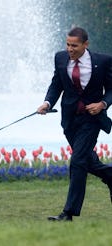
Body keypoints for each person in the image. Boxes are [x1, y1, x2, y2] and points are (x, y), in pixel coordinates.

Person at [37, 27, 112, 221]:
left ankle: (68, 213)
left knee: (78, 161)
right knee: (89, 161)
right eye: (68, 44)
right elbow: (56, 84)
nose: (70, 49)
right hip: (70, 120)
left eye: (74, 46)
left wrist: (103, 104)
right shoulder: (60, 58)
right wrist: (47, 103)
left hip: (91, 119)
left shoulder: (103, 62)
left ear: (85, 45)